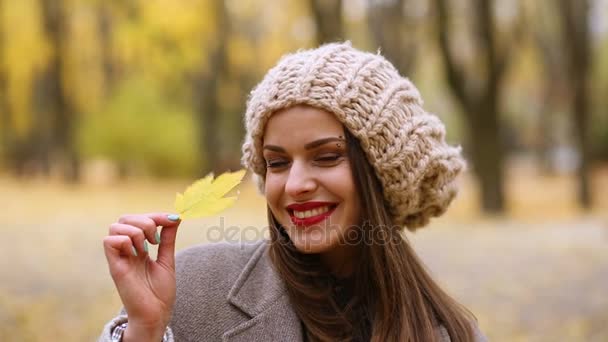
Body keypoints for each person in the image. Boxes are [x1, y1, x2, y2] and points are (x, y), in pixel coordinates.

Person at [99, 42, 487, 342]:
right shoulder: (192, 287)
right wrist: (145, 330)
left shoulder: (450, 333)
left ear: (382, 172)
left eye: (327, 156)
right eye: (278, 163)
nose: (296, 185)